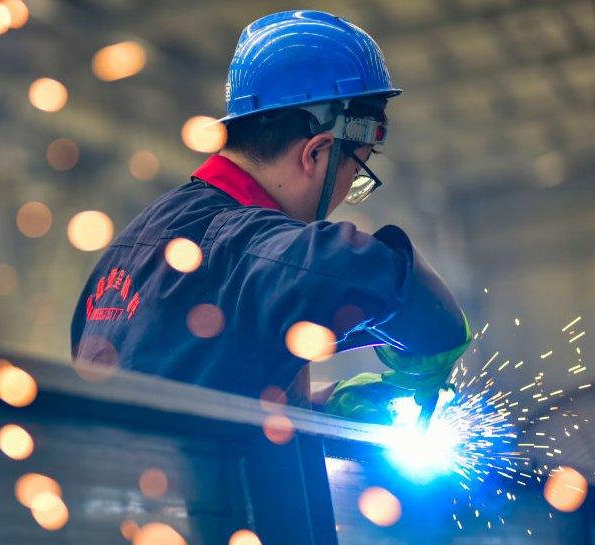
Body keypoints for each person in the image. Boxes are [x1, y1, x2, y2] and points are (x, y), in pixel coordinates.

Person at [70, 10, 470, 425]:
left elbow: (195, 389)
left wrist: (313, 408)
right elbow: (372, 272)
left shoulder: (125, 254)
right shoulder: (242, 245)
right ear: (315, 153)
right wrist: (428, 356)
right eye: (355, 171)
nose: (345, 196)